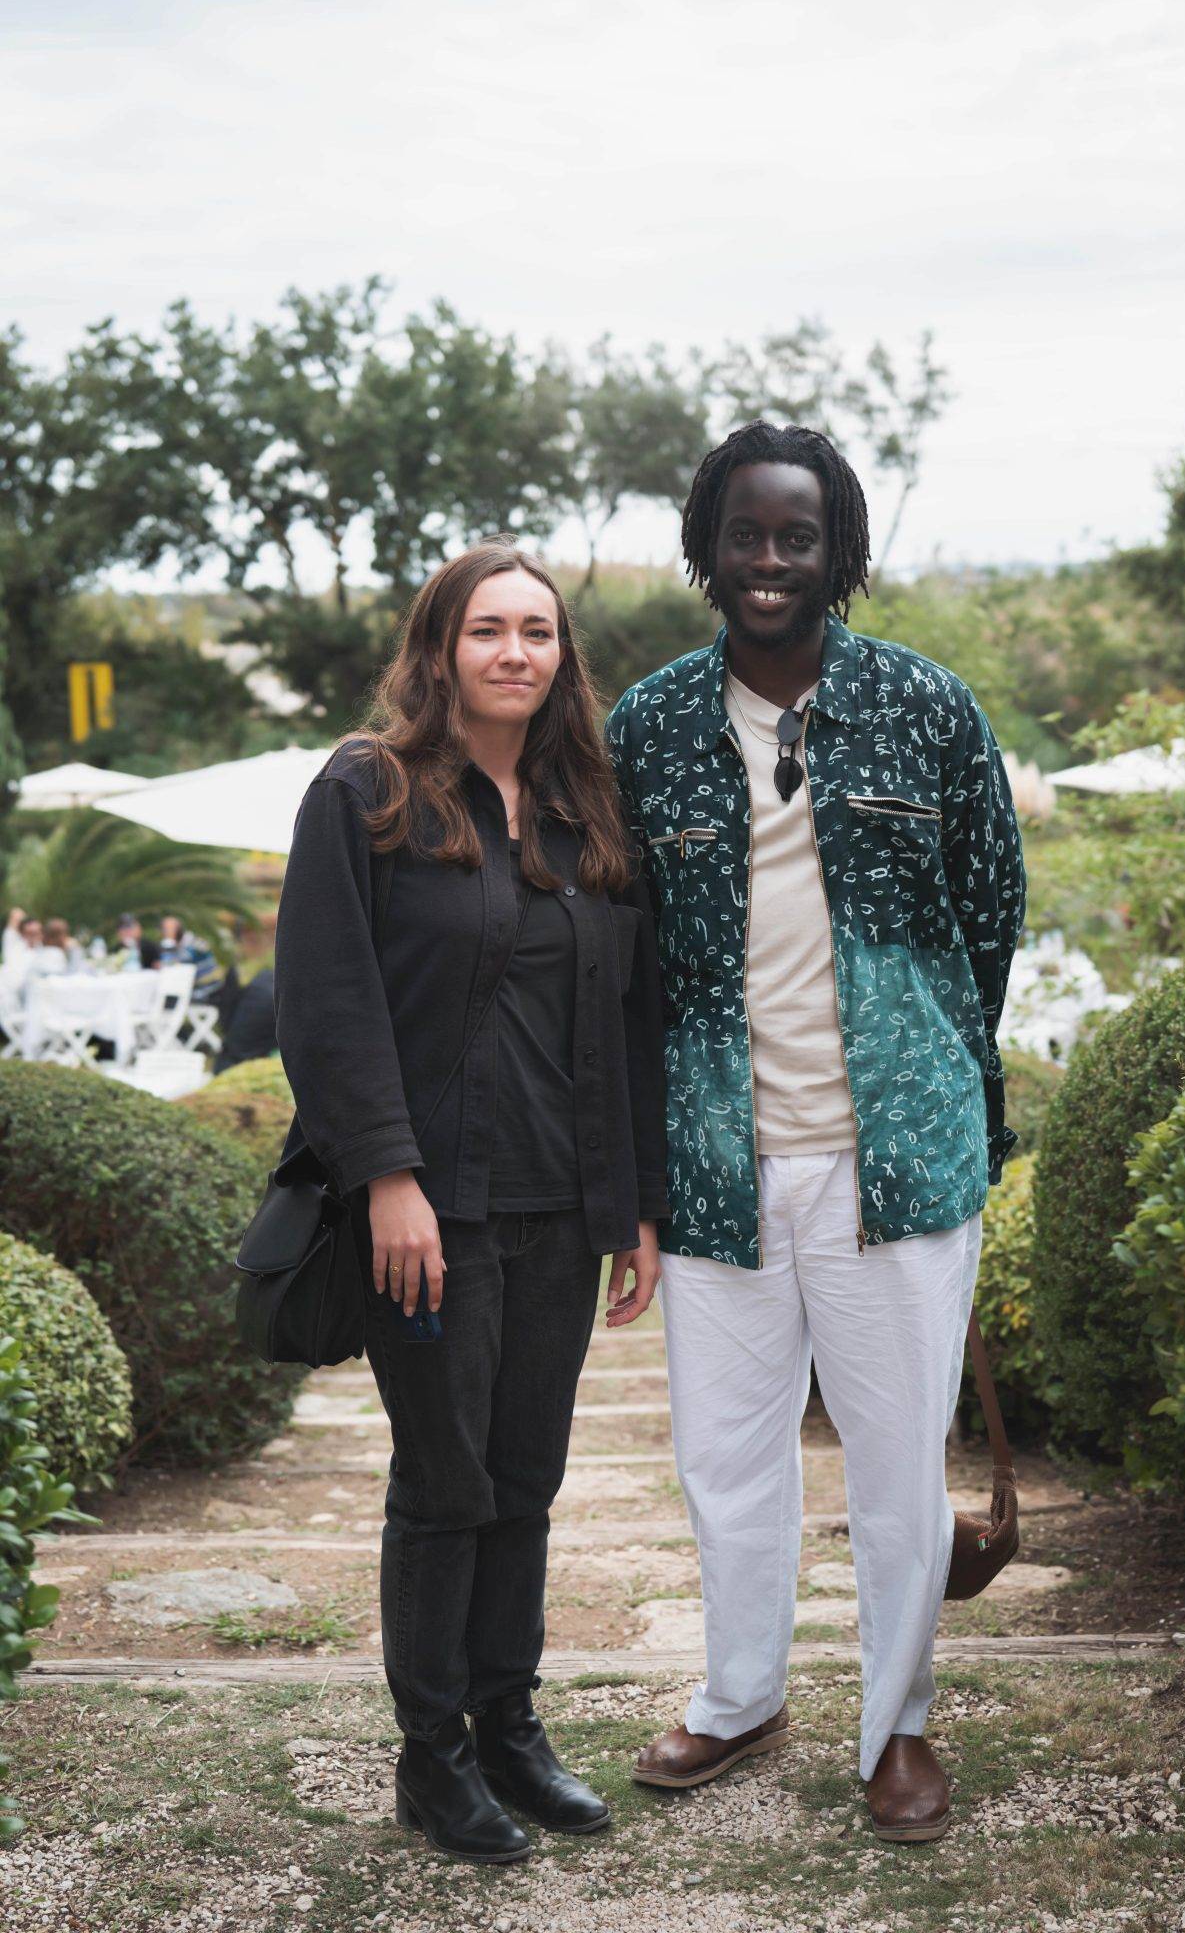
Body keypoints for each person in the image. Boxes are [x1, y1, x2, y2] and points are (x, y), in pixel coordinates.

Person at [606, 421, 1026, 1845]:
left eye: (796, 536)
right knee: (725, 1454)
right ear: (705, 550)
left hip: (893, 1157)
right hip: (719, 1161)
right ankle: (738, 1696)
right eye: (744, 535)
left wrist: (944, 1077)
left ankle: (896, 1724)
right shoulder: (648, 727)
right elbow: (620, 950)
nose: (768, 561)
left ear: (837, 551)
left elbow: (989, 912)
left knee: (898, 1458)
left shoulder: (924, 707)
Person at [273, 539, 668, 1866]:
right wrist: (387, 1176)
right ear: (438, 647)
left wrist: (632, 1206)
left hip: (559, 1206)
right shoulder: (365, 793)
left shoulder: (581, 810)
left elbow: (625, 1022)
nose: (515, 653)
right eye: (488, 629)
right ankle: (431, 1758)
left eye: (538, 633)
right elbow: (327, 1004)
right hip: (430, 1208)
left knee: (527, 1476)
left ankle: (510, 1725)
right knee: (444, 1481)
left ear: (562, 657)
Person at [158, 915, 224, 1000]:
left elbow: (177, 964)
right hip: (193, 984)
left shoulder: (192, 943)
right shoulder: (172, 945)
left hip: (209, 986)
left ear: (179, 928)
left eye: (169, 928)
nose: (165, 931)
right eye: (164, 928)